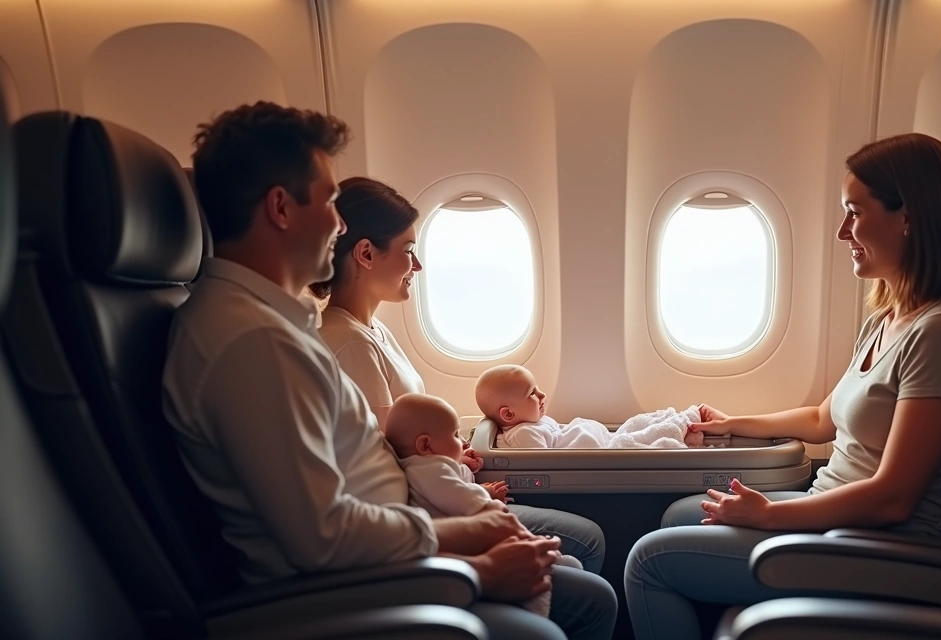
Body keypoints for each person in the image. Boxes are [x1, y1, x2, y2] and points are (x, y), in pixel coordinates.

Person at [163, 101, 615, 640]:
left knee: (573, 574)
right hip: (345, 590)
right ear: (281, 208)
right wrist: (472, 557)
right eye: (330, 202)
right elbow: (322, 538)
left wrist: (463, 530)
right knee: (587, 600)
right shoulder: (253, 343)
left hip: (382, 551)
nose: (338, 223)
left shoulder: (268, 325)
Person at [624, 132, 941, 640]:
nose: (844, 232)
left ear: (908, 218)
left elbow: (893, 499)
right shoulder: (889, 318)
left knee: (649, 563)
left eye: (855, 213)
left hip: (876, 548)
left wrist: (773, 514)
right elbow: (825, 418)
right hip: (838, 521)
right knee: (677, 515)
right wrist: (732, 424)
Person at [309, 176, 607, 574]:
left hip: (442, 491)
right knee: (584, 546)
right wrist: (463, 488)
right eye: (408, 250)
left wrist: (454, 461)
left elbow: (407, 446)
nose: (417, 265)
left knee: (587, 539)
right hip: (427, 512)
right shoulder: (349, 344)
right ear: (365, 253)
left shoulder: (372, 331)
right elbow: (386, 464)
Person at [382, 393, 583, 617]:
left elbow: (454, 484)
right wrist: (488, 499)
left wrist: (464, 464)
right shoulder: (427, 469)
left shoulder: (428, 464)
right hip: (461, 538)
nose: (462, 442)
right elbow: (459, 497)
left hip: (461, 528)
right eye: (456, 435)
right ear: (426, 445)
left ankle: (550, 560)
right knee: (506, 528)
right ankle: (538, 605)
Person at [476, 364, 706, 449]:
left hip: (604, 439)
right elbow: (544, 463)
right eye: (532, 393)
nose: (542, 394)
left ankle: (677, 423)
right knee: (636, 439)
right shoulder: (523, 435)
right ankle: (682, 425)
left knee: (637, 424)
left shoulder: (532, 422)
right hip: (601, 448)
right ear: (508, 414)